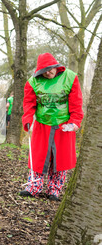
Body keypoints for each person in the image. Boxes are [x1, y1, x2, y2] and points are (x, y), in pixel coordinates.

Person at [19, 53, 83, 201]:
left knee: (60, 158)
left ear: (56, 66)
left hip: (64, 125)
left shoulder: (70, 77)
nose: (48, 73)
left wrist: (75, 121)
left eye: (50, 69)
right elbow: (29, 103)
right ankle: (34, 187)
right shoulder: (33, 82)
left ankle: (54, 190)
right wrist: (27, 119)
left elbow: (76, 102)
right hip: (43, 124)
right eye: (44, 71)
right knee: (39, 156)